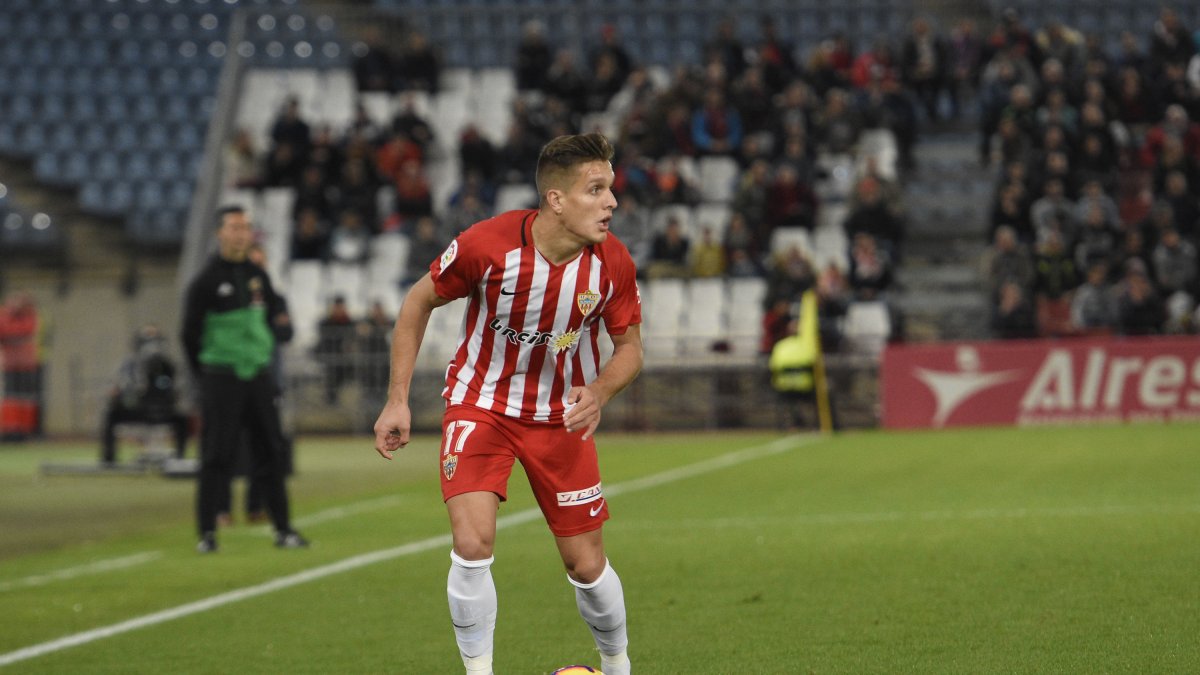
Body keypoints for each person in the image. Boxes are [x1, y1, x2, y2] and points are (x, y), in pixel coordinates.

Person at [373, 133, 641, 675]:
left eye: (610, 188)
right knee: (472, 544)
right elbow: (418, 301)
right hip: (481, 405)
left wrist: (598, 392)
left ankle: (618, 668)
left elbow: (631, 347)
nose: (611, 202)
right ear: (556, 199)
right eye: (596, 189)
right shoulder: (488, 244)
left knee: (586, 566)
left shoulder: (611, 262)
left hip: (560, 418)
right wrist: (397, 399)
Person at [182, 205, 307, 553]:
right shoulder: (205, 281)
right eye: (234, 227)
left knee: (272, 451)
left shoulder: (258, 276)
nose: (241, 234)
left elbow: (274, 315)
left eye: (246, 227)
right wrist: (205, 375)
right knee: (216, 455)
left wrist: (272, 333)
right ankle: (207, 533)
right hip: (221, 377)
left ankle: (284, 529)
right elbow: (189, 335)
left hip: (258, 375)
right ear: (219, 233)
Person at [99, 325, 190, 466]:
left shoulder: (168, 365)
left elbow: (178, 388)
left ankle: (180, 459)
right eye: (147, 342)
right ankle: (109, 459)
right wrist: (123, 393)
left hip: (163, 410)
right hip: (136, 409)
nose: (152, 347)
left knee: (182, 419)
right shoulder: (128, 364)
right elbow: (118, 387)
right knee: (111, 414)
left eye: (155, 341)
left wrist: (169, 395)